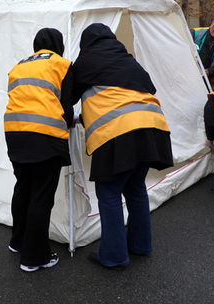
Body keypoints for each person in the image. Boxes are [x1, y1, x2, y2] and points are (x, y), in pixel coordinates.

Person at [72, 23, 173, 269]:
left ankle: (114, 256)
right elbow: (124, 96)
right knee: (136, 187)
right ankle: (140, 245)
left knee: (109, 194)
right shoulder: (129, 61)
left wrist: (67, 119)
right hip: (153, 127)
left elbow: (67, 98)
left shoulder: (86, 62)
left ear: (86, 43)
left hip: (119, 134)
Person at [3, 27, 75, 272]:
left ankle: (18, 241)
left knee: (23, 187)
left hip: (14, 133)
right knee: (41, 195)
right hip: (44, 135)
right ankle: (35, 258)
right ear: (58, 44)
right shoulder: (62, 64)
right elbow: (66, 105)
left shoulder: (18, 66)